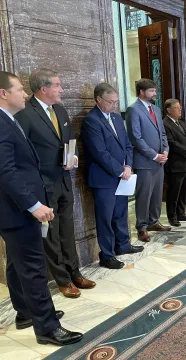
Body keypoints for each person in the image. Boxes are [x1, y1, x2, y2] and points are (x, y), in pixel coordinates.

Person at [0, 71, 82, 345]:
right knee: (33, 268)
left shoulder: (7, 120)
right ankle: (47, 328)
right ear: (3, 93)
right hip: (17, 209)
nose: (23, 94)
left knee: (16, 262)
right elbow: (6, 172)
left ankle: (25, 312)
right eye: (18, 89)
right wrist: (34, 204)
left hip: (14, 208)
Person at [15, 69, 95, 299]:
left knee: (67, 229)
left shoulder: (59, 109)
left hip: (64, 181)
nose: (62, 90)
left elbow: (69, 140)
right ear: (43, 89)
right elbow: (23, 153)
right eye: (58, 85)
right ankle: (62, 279)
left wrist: (75, 158)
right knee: (51, 234)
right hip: (42, 185)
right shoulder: (25, 114)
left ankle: (75, 272)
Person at [82, 83, 143, 269]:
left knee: (121, 213)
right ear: (99, 100)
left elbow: (127, 145)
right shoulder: (91, 120)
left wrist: (128, 166)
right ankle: (107, 255)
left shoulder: (116, 118)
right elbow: (99, 152)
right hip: (104, 179)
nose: (114, 106)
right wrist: (119, 170)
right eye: (111, 102)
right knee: (105, 218)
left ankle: (123, 245)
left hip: (122, 175)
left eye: (116, 102)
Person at [126, 79, 171, 243]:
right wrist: (153, 155)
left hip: (160, 160)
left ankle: (154, 221)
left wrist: (165, 151)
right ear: (142, 92)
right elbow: (135, 138)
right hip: (145, 161)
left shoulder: (156, 109)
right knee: (144, 195)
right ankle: (142, 227)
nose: (155, 94)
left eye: (155, 91)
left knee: (157, 194)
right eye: (151, 91)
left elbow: (163, 134)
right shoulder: (133, 110)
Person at [163, 99, 186, 227]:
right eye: (177, 108)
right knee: (174, 191)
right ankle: (172, 216)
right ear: (169, 110)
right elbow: (172, 143)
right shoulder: (165, 124)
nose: (180, 110)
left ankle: (181, 213)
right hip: (175, 163)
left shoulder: (182, 123)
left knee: (184, 189)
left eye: (180, 107)